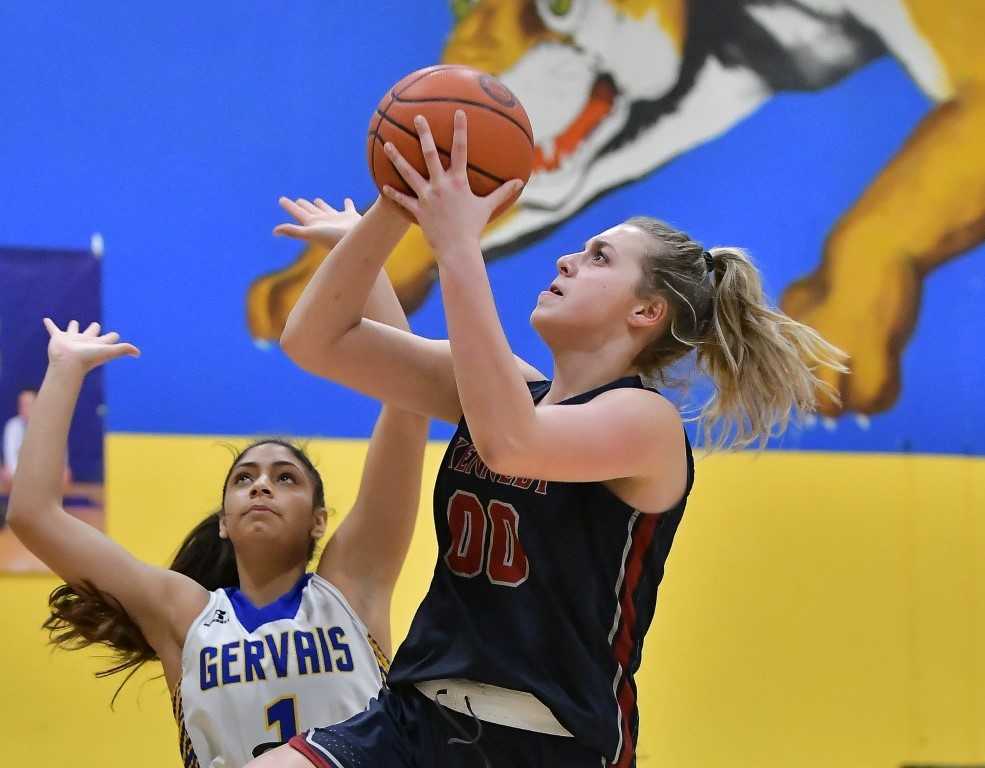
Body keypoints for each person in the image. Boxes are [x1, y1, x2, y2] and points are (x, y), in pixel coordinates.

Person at [254, 111, 846, 768]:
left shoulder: (643, 425)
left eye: (599, 257)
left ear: (645, 312)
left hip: (543, 744)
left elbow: (512, 443)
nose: (566, 258)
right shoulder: (502, 388)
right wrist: (390, 212)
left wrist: (455, 247)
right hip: (412, 720)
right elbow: (315, 341)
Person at [7, 254, 429, 768]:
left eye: (286, 478)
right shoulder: (184, 613)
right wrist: (64, 368)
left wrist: (362, 254)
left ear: (319, 520)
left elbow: (408, 403)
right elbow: (33, 514)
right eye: (244, 478)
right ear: (225, 522)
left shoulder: (350, 587)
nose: (261, 487)